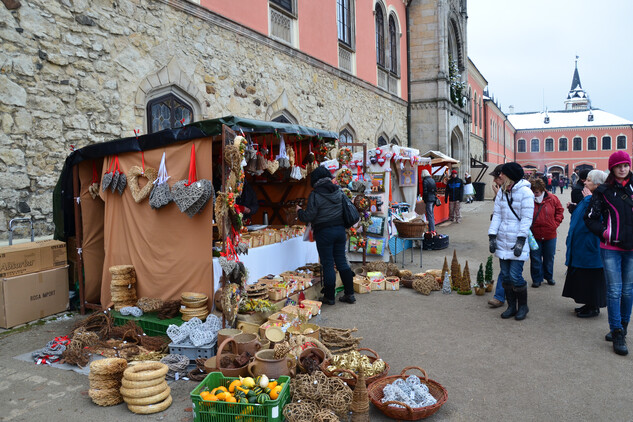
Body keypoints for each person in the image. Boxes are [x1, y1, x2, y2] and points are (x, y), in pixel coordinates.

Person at [584, 151, 633, 356]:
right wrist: (605, 232)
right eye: (618, 166)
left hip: (631, 248)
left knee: (627, 291)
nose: (622, 169)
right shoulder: (603, 191)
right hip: (611, 247)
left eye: (625, 165)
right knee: (614, 291)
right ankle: (617, 331)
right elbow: (591, 218)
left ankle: (623, 326)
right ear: (612, 168)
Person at [296, 166, 355, 306]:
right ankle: (350, 294)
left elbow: (309, 216)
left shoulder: (315, 195)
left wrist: (299, 211)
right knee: (341, 262)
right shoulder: (339, 192)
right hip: (340, 231)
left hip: (324, 233)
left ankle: (329, 297)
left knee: (328, 263)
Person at [488, 162, 534, 320]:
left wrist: (521, 240)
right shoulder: (502, 192)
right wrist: (492, 235)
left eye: (503, 173)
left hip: (516, 239)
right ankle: (511, 306)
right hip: (503, 239)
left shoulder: (526, 193)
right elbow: (497, 215)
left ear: (511, 175)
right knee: (506, 276)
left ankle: (523, 306)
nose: (499, 175)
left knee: (515, 276)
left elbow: (527, 219)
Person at [562, 169, 608, 318]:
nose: (585, 182)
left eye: (588, 180)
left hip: (590, 246)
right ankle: (588, 304)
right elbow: (583, 215)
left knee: (591, 278)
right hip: (583, 245)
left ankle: (593, 307)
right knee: (584, 277)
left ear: (598, 184)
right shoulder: (590, 197)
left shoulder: (598, 198)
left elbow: (595, 218)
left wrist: (589, 200)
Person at [529, 178, 564, 288]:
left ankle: (548, 276)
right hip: (535, 234)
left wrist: (555, 223)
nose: (535, 194)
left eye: (537, 192)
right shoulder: (529, 200)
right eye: (533, 192)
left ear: (542, 190)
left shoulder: (552, 198)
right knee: (535, 258)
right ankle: (537, 279)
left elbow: (560, 211)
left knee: (549, 257)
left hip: (550, 234)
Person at [487, 164, 506, 309]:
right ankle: (499, 296)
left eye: (495, 177)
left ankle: (518, 300)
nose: (494, 180)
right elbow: (498, 213)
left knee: (515, 273)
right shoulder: (501, 192)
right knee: (505, 270)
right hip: (503, 235)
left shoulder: (523, 191)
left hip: (516, 236)